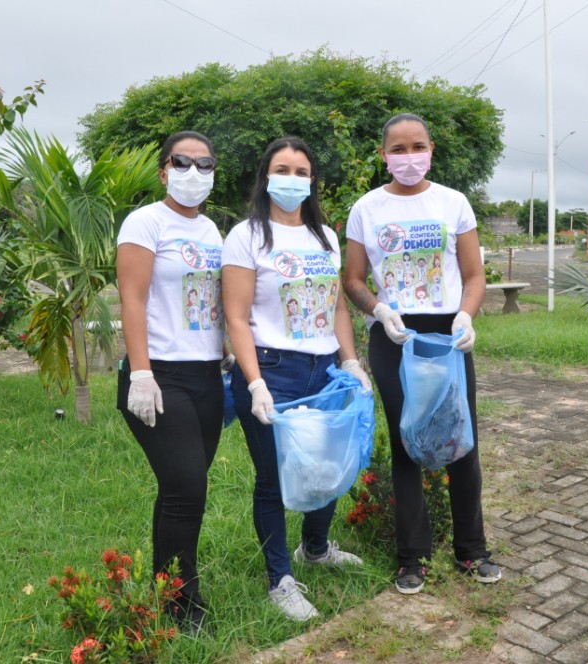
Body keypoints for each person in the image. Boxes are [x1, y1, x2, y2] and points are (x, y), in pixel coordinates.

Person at [343, 113, 501, 595]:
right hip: (395, 335)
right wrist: (378, 308)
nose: (408, 157)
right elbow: (352, 279)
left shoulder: (453, 202)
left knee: (460, 435)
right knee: (407, 440)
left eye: (417, 147)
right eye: (398, 149)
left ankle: (472, 549)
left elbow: (474, 276)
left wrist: (467, 315)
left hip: (447, 334)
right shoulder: (365, 209)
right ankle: (412, 557)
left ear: (431, 148)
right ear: (383, 155)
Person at [222, 137, 371, 621]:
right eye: (282, 168)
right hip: (272, 370)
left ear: (312, 181)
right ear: (266, 175)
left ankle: (317, 547)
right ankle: (279, 579)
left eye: (301, 171)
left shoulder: (325, 237)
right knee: (272, 480)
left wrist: (351, 362)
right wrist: (254, 381)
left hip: (323, 369)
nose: (292, 178)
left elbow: (336, 307)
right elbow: (237, 317)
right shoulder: (246, 236)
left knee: (325, 468)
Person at [116, 130, 229, 632]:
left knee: (181, 489)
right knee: (187, 487)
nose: (193, 173)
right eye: (182, 162)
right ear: (163, 170)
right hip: (159, 375)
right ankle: (181, 607)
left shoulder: (213, 232)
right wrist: (141, 372)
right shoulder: (145, 222)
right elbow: (133, 299)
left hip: (206, 375)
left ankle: (167, 588)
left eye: (205, 165)